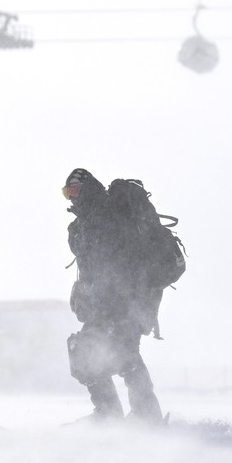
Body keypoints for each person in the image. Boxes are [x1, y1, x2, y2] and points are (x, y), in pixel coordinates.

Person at [62, 168, 166, 423]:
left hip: (128, 302)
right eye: (66, 193)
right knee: (85, 351)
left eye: (74, 191)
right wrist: (83, 295)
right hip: (102, 306)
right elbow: (91, 269)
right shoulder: (81, 224)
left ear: (86, 188)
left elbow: (121, 262)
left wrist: (124, 298)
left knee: (124, 353)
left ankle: (146, 415)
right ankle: (109, 413)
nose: (71, 198)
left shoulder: (109, 215)